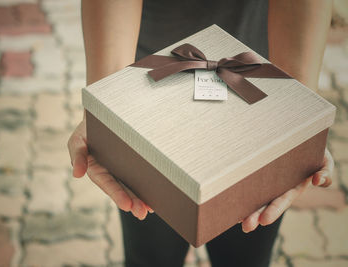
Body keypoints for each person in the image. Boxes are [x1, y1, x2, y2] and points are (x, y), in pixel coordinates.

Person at [68, 0, 334, 266]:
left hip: (262, 82)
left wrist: (301, 117)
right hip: (141, 87)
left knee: (245, 256)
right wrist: (103, 106)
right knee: (150, 255)